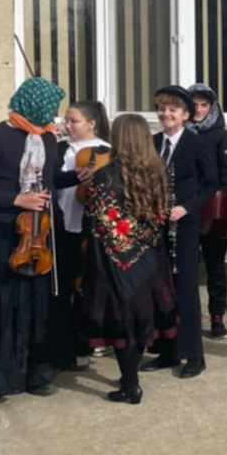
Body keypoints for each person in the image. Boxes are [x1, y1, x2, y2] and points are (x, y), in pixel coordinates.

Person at [0, 76, 67, 408]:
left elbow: (52, 179)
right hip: (4, 232)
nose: (52, 116)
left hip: (39, 235)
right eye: (49, 109)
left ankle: (34, 374)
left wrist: (79, 176)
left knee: (36, 306)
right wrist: (17, 199)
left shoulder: (47, 138)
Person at [80, 114, 178, 405]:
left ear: (118, 138)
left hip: (116, 261)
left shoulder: (104, 175)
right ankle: (130, 380)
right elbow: (162, 216)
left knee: (121, 322)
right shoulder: (159, 172)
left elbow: (96, 223)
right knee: (143, 318)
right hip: (150, 258)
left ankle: (130, 385)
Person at [142, 86, 215, 380]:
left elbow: (211, 184)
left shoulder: (197, 144)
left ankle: (194, 355)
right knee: (160, 288)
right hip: (157, 225)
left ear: (185, 115)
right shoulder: (153, 142)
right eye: (162, 109)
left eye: (172, 109)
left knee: (185, 290)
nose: (166, 114)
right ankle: (166, 351)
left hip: (184, 225)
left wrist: (186, 207)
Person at [52, 101, 111, 369]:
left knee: (88, 287)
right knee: (62, 288)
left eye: (73, 121)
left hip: (92, 228)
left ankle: (88, 342)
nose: (67, 125)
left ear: (92, 124)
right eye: (66, 120)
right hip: (61, 226)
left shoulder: (106, 151)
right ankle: (62, 345)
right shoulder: (60, 149)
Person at [187, 83, 227, 339]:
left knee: (215, 266)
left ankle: (217, 317)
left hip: (215, 213)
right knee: (185, 267)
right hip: (186, 210)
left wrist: (218, 201)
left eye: (204, 105)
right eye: (194, 105)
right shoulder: (181, 135)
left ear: (212, 107)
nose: (199, 110)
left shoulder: (223, 136)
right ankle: (187, 317)